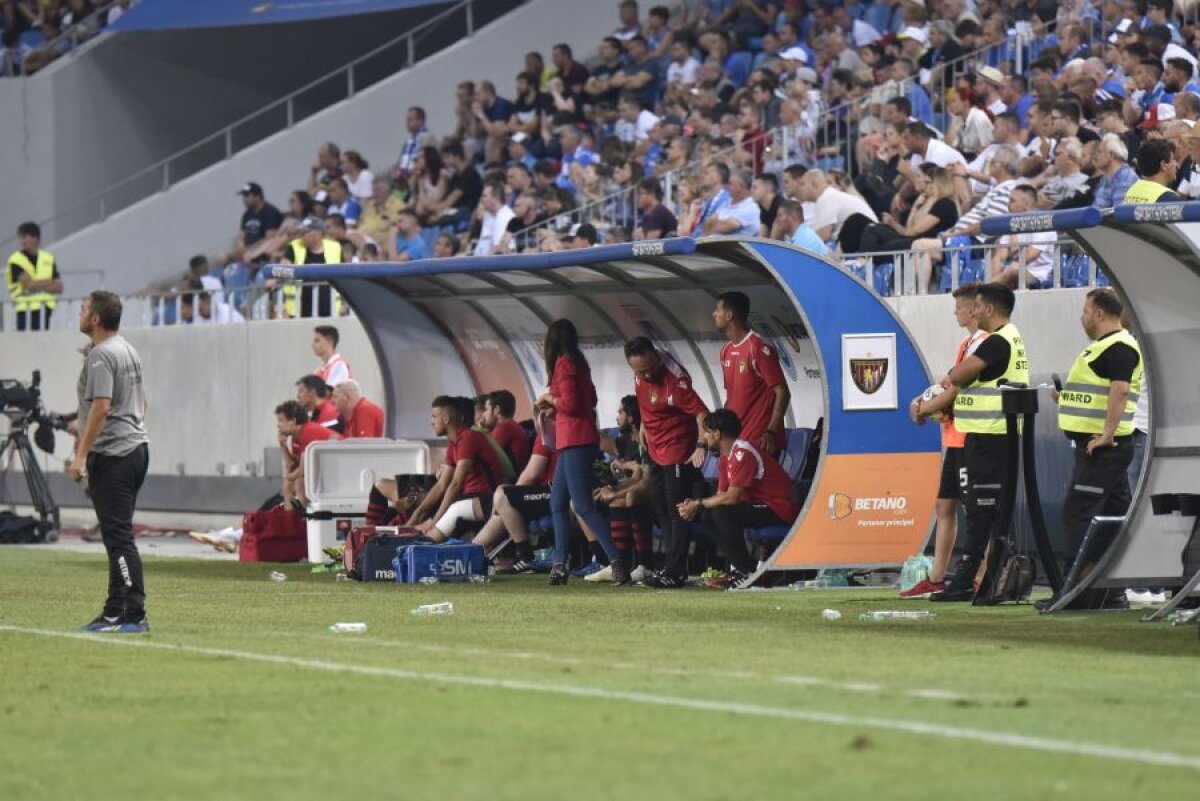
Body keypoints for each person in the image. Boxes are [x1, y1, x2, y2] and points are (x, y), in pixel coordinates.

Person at [1041, 289, 1143, 609]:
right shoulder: (1103, 347)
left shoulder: (1120, 346)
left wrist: (1107, 435)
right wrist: (1066, 398)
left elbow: (1121, 390)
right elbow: (1098, 394)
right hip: (1101, 446)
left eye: (1085, 311)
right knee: (1113, 516)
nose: (1082, 317)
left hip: (1103, 448)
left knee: (1077, 513)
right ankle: (1109, 592)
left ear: (1099, 314)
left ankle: (1074, 591)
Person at [932, 282, 1028, 602]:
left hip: (990, 436)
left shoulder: (997, 343)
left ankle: (970, 578)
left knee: (981, 510)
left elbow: (957, 376)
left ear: (988, 309)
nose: (973, 311)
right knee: (985, 511)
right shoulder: (1011, 338)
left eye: (978, 306)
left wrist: (953, 373)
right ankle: (979, 578)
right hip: (992, 436)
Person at [70, 291, 151, 633]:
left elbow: (102, 407)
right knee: (115, 536)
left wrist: (81, 455)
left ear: (96, 319)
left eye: (85, 308)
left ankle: (135, 614)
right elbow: (141, 400)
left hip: (115, 455)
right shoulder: (126, 348)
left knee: (118, 538)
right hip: (135, 449)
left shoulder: (101, 355)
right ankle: (114, 612)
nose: (80, 311)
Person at [905, 283, 987, 599]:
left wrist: (924, 409)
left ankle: (982, 576)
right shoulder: (967, 343)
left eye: (958, 307)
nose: (955, 312)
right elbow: (948, 384)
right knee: (945, 504)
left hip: (971, 436)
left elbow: (956, 388)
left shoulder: (985, 343)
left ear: (973, 309)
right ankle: (937, 577)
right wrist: (924, 400)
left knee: (977, 510)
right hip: (954, 436)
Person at [537, 320, 622, 585]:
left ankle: (617, 562)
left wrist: (551, 400)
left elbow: (571, 403)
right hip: (578, 440)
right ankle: (560, 564)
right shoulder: (579, 362)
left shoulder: (563, 364)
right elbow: (589, 400)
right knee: (557, 503)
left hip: (575, 441)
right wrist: (556, 408)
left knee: (583, 506)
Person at [678, 409, 801, 589]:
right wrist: (696, 506)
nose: (704, 437)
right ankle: (745, 570)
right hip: (758, 506)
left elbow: (732, 498)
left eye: (707, 432)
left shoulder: (742, 452)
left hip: (778, 507)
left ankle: (747, 573)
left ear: (718, 434)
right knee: (708, 515)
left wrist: (698, 503)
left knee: (721, 512)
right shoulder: (724, 457)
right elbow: (721, 495)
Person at [625, 336, 709, 588]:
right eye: (640, 371)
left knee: (678, 510)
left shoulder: (676, 382)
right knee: (660, 506)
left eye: (650, 368)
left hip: (677, 448)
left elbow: (702, 413)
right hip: (655, 448)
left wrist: (701, 445)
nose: (647, 374)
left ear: (656, 356)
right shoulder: (639, 373)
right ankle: (670, 566)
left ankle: (675, 572)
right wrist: (642, 425)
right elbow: (643, 397)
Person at [401, 397, 505, 542]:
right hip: (470, 497)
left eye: (434, 416)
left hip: (489, 498)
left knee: (452, 510)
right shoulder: (453, 442)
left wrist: (435, 521)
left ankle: (423, 546)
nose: (432, 422)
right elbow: (442, 484)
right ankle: (402, 540)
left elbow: (456, 484)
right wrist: (416, 515)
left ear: (446, 419)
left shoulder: (469, 438)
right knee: (426, 508)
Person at [713, 292, 789, 455]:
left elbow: (782, 392)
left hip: (759, 440)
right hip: (736, 440)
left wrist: (771, 432)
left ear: (729, 315)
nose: (714, 314)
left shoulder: (758, 347)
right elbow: (732, 397)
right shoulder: (725, 351)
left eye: (717, 310)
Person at [274, 399, 336, 509]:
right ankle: (292, 521)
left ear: (292, 421)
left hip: (338, 470)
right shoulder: (294, 438)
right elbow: (291, 466)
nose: (278, 425)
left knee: (298, 483)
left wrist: (288, 477)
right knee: (290, 484)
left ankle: (304, 519)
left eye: (281, 420)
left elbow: (303, 469)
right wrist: (282, 446)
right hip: (323, 472)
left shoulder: (309, 431)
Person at [278, 217, 343, 318]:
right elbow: (281, 270)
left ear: (318, 233)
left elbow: (346, 275)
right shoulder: (294, 247)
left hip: (331, 310)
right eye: (301, 232)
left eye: (305, 232)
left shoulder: (335, 247)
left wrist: (345, 304)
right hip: (299, 311)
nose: (301, 235)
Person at [6, 221, 63, 331]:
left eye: (24, 237)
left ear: (35, 238)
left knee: (44, 344)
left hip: (46, 309)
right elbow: (29, 285)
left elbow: (59, 287)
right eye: (21, 238)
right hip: (24, 309)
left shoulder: (48, 258)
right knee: (26, 345)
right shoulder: (16, 259)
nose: (21, 241)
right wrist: (50, 281)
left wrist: (38, 284)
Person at [483, 389, 531, 475]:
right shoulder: (513, 426)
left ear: (496, 410)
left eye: (486, 409)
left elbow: (483, 455)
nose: (484, 414)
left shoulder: (504, 428)